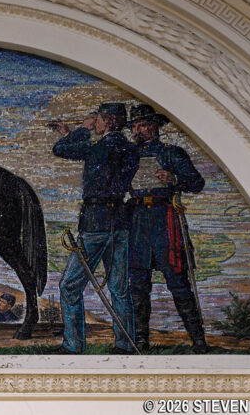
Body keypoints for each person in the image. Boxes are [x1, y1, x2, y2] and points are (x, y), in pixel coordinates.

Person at [51, 102, 139, 354]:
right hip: (120, 222)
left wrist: (80, 129)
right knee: (120, 288)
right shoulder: (129, 149)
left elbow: (60, 150)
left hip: (96, 222)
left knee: (69, 286)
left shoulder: (101, 147)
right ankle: (124, 346)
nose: (95, 124)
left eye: (98, 119)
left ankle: (73, 346)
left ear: (109, 121)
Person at [127, 104, 208, 353]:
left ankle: (198, 340)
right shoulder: (127, 155)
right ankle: (141, 340)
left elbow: (197, 183)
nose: (140, 130)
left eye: (144, 124)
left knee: (177, 281)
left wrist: (174, 179)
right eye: (136, 125)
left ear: (156, 127)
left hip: (165, 221)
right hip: (137, 221)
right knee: (138, 284)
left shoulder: (172, 154)